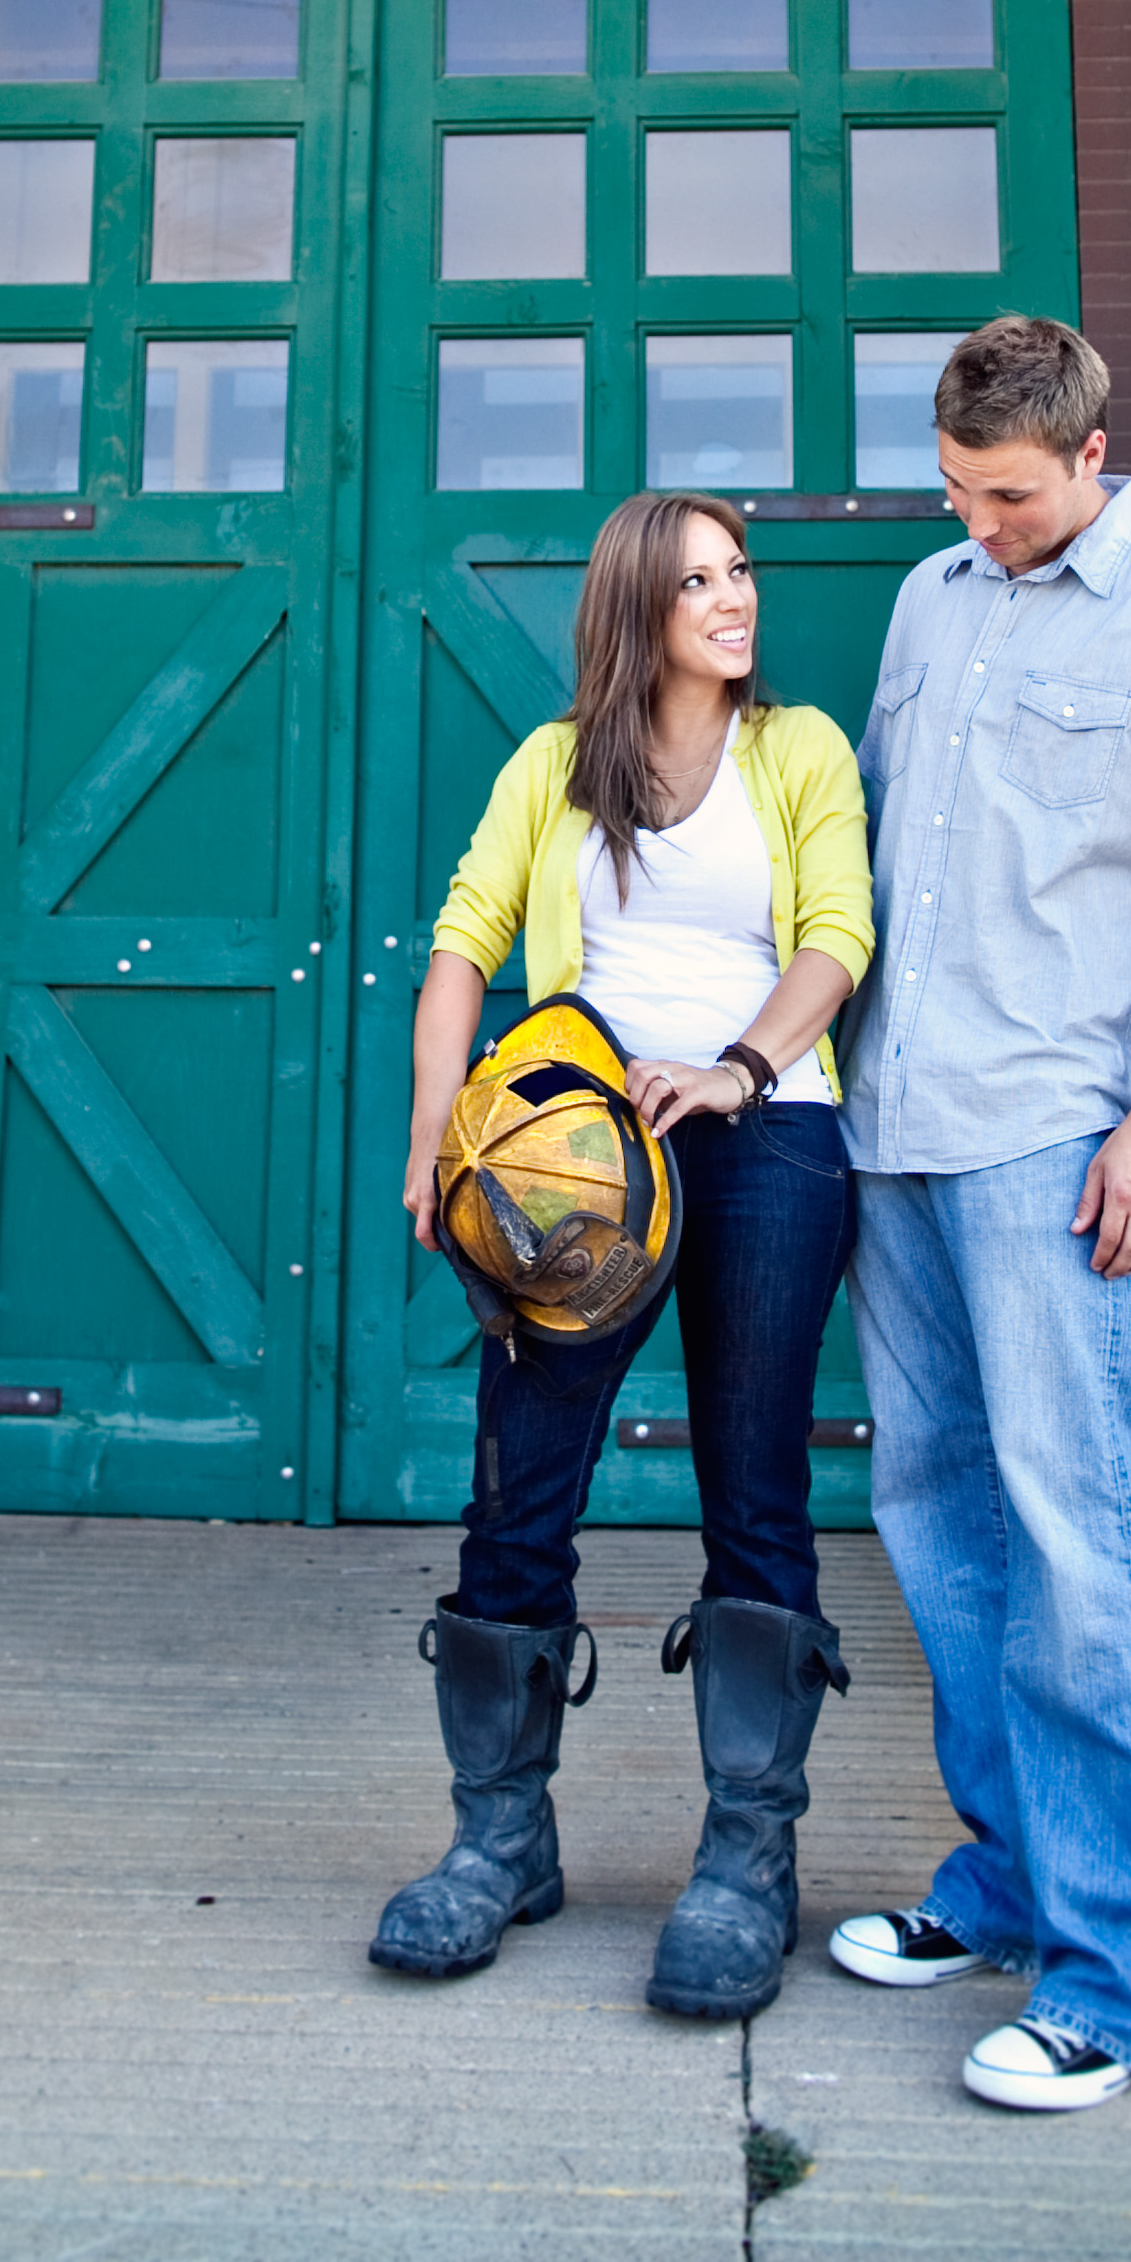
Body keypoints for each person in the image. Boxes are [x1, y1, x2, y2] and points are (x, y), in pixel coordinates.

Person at [826, 315, 1131, 2112]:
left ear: (1092, 453)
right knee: (936, 1515)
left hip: (1056, 1133)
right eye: (956, 490)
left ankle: (1127, 1972)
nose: (982, 521)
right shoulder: (935, 597)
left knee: (1079, 1538)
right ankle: (1011, 1886)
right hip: (898, 1126)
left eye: (1009, 494)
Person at [371, 491, 874, 2017]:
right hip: (570, 1164)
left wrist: (736, 1066)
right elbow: (462, 943)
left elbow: (838, 935)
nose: (737, 599)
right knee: (518, 1490)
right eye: (702, 578)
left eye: (745, 572)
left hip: (762, 1144)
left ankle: (746, 1861)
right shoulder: (553, 767)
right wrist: (435, 1132)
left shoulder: (801, 750)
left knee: (756, 1490)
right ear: (639, 604)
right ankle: (499, 1838)